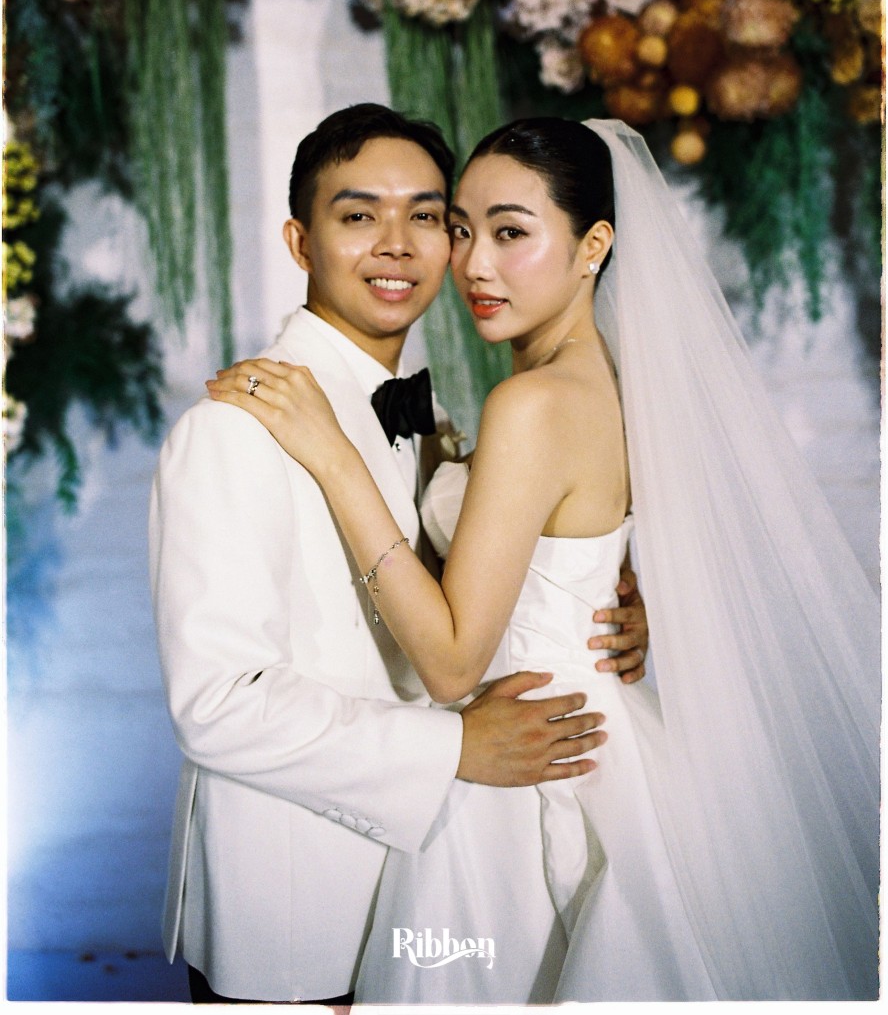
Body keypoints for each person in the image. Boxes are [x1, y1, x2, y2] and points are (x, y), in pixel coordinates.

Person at [209, 116, 879, 1002]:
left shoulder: (533, 403)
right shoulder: (612, 380)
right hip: (594, 731)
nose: (475, 265)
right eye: (463, 229)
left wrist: (335, 458)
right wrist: (626, 600)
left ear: (593, 245)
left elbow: (454, 663)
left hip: (522, 754)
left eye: (512, 233)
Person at [149, 104, 650, 1005]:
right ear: (300, 241)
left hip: (454, 880)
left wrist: (609, 597)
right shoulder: (235, 428)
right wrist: (452, 747)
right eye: (358, 214)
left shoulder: (435, 418)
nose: (398, 243)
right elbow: (218, 704)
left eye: (427, 216)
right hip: (300, 908)